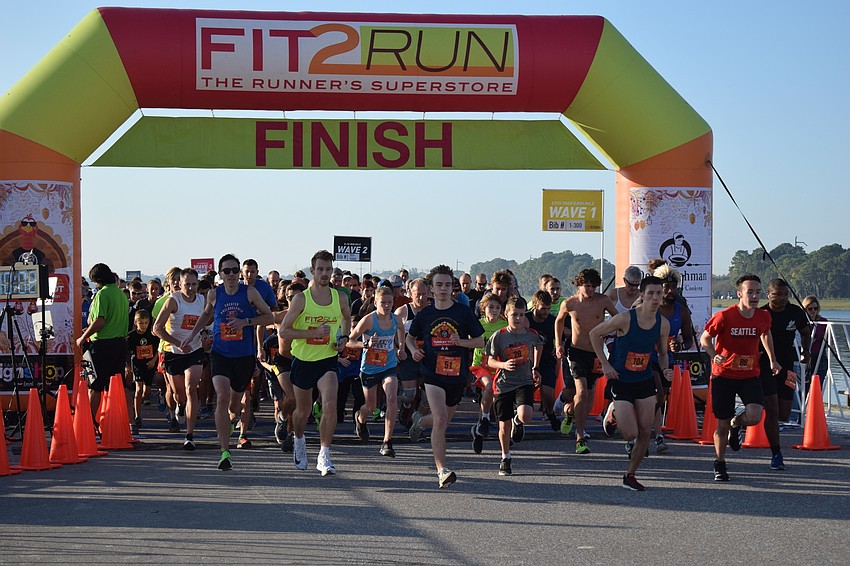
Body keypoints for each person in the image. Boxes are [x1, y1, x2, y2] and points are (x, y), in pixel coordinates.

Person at [181, 254, 275, 470]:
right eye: (227, 271)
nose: (231, 275)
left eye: (234, 270)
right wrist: (192, 335)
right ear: (220, 274)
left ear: (239, 273)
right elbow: (206, 316)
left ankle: (231, 420)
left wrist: (246, 322)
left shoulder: (249, 292)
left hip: (243, 357)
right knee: (222, 397)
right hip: (220, 354)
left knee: (234, 406)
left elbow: (269, 317)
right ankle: (225, 452)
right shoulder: (214, 294)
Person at [406, 264, 484, 488]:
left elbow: (480, 341)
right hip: (432, 373)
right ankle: (442, 471)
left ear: (452, 288)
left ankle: (420, 422)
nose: (443, 289)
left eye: (447, 285)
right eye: (439, 285)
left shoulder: (463, 312)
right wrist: (414, 351)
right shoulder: (425, 314)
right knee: (440, 419)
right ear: (431, 288)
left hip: (457, 375)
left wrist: (461, 342)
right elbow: (410, 338)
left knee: (442, 421)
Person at [590, 276, 671, 491]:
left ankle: (630, 475)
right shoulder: (626, 318)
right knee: (630, 434)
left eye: (659, 293)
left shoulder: (663, 324)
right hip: (621, 380)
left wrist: (665, 369)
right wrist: (605, 364)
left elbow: (663, 353)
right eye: (651, 293)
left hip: (644, 380)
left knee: (645, 431)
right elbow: (594, 334)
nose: (655, 298)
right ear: (642, 295)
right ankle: (613, 412)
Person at [700, 274, 779, 481]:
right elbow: (705, 338)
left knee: (754, 416)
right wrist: (713, 354)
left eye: (757, 292)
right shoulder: (725, 316)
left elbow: (765, 334)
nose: (754, 296)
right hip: (723, 375)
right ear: (739, 294)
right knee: (722, 424)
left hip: (749, 374)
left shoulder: (763, 316)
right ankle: (720, 463)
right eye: (750, 292)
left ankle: (737, 424)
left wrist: (772, 360)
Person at [280, 250, 352, 476]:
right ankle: (299, 440)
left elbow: (347, 318)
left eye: (328, 269)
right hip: (303, 360)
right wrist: (312, 333)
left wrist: (343, 338)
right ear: (312, 270)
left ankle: (324, 454)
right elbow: (284, 331)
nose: (324, 273)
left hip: (327, 360)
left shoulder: (340, 297)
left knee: (330, 404)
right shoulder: (301, 299)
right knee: (302, 411)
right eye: (320, 269)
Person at [554, 268, 618, 453]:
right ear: (579, 284)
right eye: (586, 286)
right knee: (581, 392)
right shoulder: (569, 303)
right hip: (576, 352)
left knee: (590, 394)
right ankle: (580, 436)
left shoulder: (603, 301)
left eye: (593, 286)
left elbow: (618, 318)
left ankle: (570, 413)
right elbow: (559, 321)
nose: (590, 289)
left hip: (596, 353)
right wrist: (558, 344)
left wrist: (611, 331)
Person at [485, 296, 542, 476]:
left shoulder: (531, 334)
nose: (518, 318)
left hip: (524, 381)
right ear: (506, 314)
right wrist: (503, 364)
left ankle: (518, 421)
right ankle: (505, 457)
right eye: (514, 314)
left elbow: (539, 345)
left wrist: (535, 367)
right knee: (504, 425)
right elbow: (489, 361)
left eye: (521, 315)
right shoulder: (499, 336)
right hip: (503, 384)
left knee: (526, 415)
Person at [347, 286, 407, 457]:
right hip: (370, 367)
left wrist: (401, 348)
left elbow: (401, 331)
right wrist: (365, 344)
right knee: (371, 407)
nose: (386, 306)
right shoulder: (368, 320)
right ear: (375, 303)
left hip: (389, 365)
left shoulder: (396, 319)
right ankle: (360, 418)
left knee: (392, 398)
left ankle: (387, 441)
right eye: (383, 303)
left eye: (389, 302)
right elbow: (350, 341)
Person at [758, 278, 811, 470]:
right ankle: (776, 454)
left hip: (787, 366)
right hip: (765, 365)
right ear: (768, 294)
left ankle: (744, 417)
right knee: (772, 410)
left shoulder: (795, 312)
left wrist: (806, 351)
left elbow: (805, 332)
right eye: (777, 294)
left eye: (785, 294)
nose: (781, 298)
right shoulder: (762, 313)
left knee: (784, 414)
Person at [153, 268, 206, 451]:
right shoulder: (173, 301)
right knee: (179, 394)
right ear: (180, 284)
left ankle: (189, 435)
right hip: (174, 352)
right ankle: (180, 405)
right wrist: (178, 343)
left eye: (194, 284)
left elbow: (208, 321)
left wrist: (205, 334)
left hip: (195, 350)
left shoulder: (202, 300)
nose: (190, 288)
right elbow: (157, 328)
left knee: (191, 389)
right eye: (187, 284)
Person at [76, 263, 129, 421]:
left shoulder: (102, 294)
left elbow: (99, 321)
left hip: (103, 345)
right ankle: (117, 421)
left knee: (95, 385)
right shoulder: (120, 294)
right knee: (115, 386)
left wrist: (83, 337)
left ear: (97, 279)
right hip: (120, 343)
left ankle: (90, 421)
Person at [469, 292, 508, 453]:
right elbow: (470, 342)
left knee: (498, 399)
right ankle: (485, 418)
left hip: (498, 366)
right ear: (483, 309)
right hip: (480, 365)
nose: (494, 310)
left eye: (497, 307)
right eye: (491, 307)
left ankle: (480, 430)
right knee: (489, 387)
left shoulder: (504, 325)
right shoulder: (478, 325)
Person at [395, 277, 430, 429]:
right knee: (409, 394)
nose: (421, 298)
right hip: (407, 357)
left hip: (427, 356)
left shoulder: (432, 311)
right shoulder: (402, 311)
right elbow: (393, 334)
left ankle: (417, 422)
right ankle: (406, 408)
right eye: (417, 294)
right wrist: (398, 349)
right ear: (410, 293)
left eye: (424, 294)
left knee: (428, 398)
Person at [526, 290, 560, 430]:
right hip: (528, 361)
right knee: (526, 393)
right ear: (534, 305)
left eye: (548, 308)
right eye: (543, 308)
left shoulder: (553, 321)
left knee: (548, 393)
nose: (546, 312)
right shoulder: (526, 319)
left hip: (546, 360)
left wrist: (558, 350)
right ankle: (520, 419)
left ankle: (550, 412)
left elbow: (560, 340)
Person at [126, 309, 159, 434]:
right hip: (138, 365)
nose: (143, 326)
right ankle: (137, 416)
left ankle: (139, 402)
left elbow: (158, 349)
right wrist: (128, 366)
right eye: (141, 323)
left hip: (149, 364)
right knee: (139, 389)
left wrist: (154, 361)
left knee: (147, 390)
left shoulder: (152, 335)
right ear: (136, 322)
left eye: (145, 323)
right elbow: (126, 352)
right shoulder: (132, 336)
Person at [803, 295, 829, 388]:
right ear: (805, 309)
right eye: (810, 309)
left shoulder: (823, 322)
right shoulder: (802, 322)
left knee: (817, 385)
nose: (813, 311)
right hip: (805, 357)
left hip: (819, 357)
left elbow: (828, 341)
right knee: (805, 386)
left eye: (815, 308)